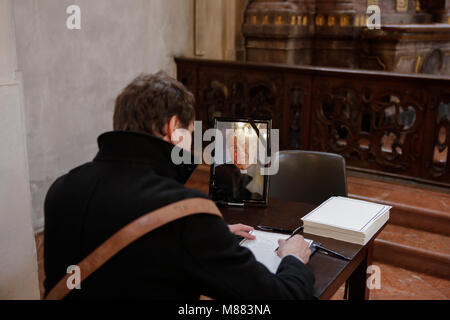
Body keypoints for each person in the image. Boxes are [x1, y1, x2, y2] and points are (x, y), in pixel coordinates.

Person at [43, 71, 315, 299]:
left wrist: (210, 234)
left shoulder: (62, 189)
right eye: (190, 134)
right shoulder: (187, 212)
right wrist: (292, 258)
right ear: (173, 127)